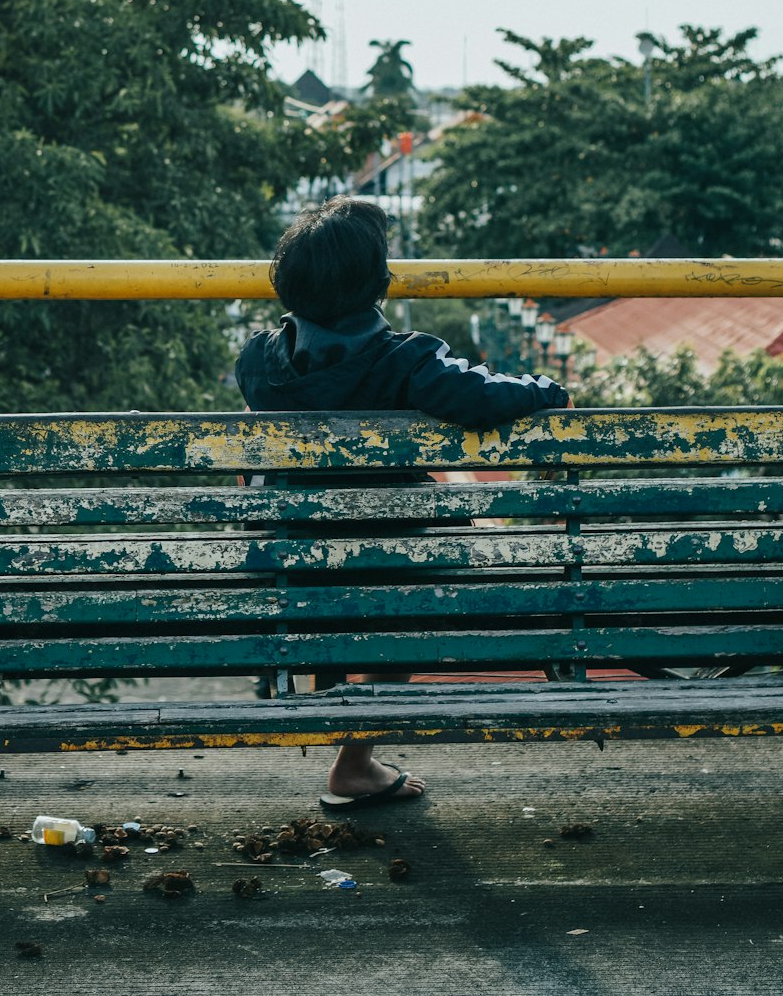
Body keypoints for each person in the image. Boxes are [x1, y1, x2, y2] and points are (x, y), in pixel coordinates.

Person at [234, 194, 570, 809]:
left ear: (285, 285)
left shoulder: (258, 362)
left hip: (287, 560)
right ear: (380, 285)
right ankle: (355, 761)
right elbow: (483, 396)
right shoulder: (409, 362)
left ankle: (335, 726)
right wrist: (546, 388)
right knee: (413, 597)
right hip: (388, 562)